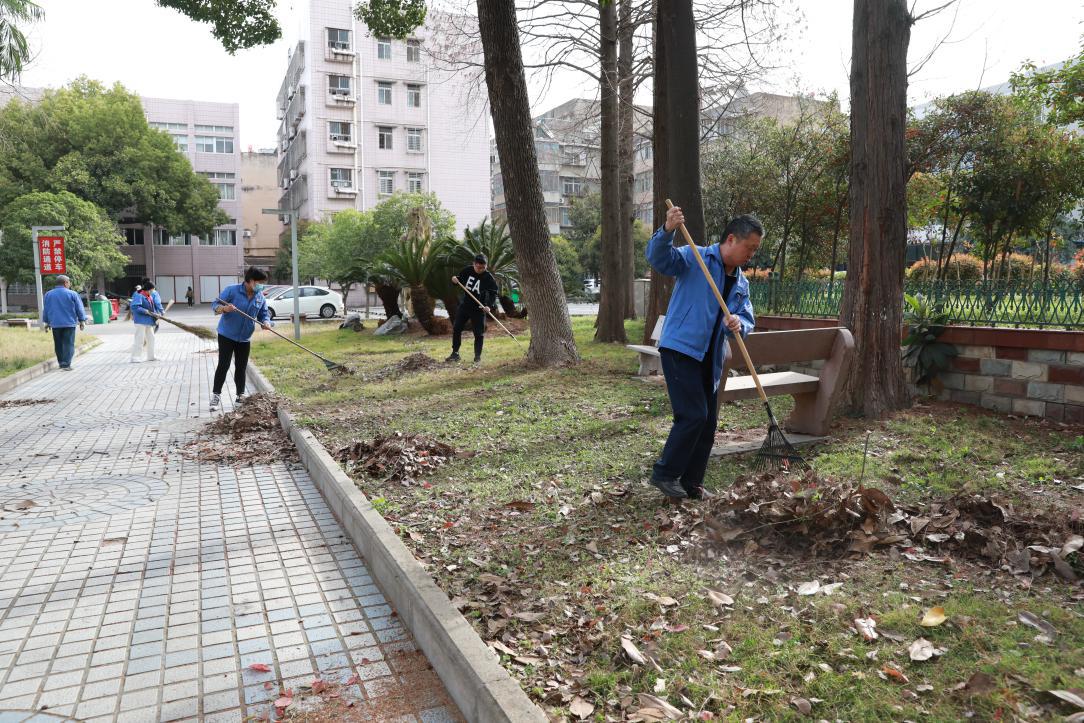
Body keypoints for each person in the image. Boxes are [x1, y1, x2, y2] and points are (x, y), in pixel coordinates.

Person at [645, 207, 762, 501]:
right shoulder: (694, 257)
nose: (751, 255)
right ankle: (665, 474)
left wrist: (739, 323)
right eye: (749, 248)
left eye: (755, 249)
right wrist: (667, 229)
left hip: (710, 357)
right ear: (732, 239)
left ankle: (692, 483)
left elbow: (747, 318)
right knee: (693, 415)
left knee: (707, 423)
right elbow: (659, 259)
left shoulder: (741, 283)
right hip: (680, 349)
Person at [209, 267, 272, 410]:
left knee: (241, 367)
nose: (261, 286)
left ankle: (240, 396)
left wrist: (266, 323)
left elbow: (263, 314)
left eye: (263, 283)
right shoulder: (232, 290)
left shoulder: (260, 296)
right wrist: (225, 309)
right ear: (250, 281)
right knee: (223, 364)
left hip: (244, 338)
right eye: (259, 282)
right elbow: (214, 305)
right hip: (227, 334)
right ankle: (216, 395)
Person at [446, 253, 499, 364]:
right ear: (474, 264)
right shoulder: (467, 270)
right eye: (478, 267)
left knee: (479, 333)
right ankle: (455, 353)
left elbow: (494, 292)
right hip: (465, 305)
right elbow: (459, 280)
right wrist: (455, 280)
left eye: (483, 268)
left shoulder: (488, 277)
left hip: (479, 308)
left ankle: (477, 357)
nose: (480, 270)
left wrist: (489, 305)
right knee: (457, 328)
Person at [41, 275, 86, 371]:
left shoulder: (48, 294)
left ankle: (61, 362)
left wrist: (46, 322)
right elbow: (79, 308)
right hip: (69, 324)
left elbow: (46, 309)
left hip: (55, 324)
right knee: (68, 344)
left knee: (58, 344)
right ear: (65, 283)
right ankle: (66, 364)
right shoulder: (72, 294)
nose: (69, 284)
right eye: (69, 282)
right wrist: (82, 320)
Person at [129, 280, 163, 363]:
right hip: (140, 321)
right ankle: (135, 357)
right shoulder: (139, 295)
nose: (153, 292)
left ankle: (151, 356)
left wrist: (157, 314)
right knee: (139, 339)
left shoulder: (149, 296)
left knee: (151, 339)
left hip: (149, 321)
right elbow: (134, 307)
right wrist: (145, 311)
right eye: (152, 290)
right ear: (148, 289)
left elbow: (151, 308)